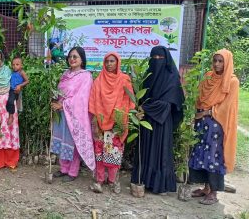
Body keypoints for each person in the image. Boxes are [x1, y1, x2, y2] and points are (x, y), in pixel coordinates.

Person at [130, 46, 184, 194]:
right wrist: (139, 109)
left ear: (166, 60)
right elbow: (140, 97)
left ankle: (159, 184)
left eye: (160, 58)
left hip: (161, 122)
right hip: (146, 121)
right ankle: (145, 180)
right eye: (154, 58)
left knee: (159, 152)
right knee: (146, 150)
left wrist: (145, 108)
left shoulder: (172, 77)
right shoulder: (148, 75)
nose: (157, 61)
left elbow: (169, 103)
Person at [189, 49, 239, 205]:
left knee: (214, 157)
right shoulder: (208, 77)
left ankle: (214, 192)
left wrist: (206, 112)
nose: (217, 64)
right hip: (202, 123)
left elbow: (227, 106)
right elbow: (200, 97)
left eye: (220, 61)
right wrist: (196, 113)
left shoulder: (232, 81)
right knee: (201, 154)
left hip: (217, 124)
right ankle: (205, 188)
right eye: (215, 60)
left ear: (227, 62)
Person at [89, 52, 135, 193]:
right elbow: (93, 102)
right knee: (100, 153)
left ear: (117, 63)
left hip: (117, 123)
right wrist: (96, 122)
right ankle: (100, 180)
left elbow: (130, 101)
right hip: (101, 123)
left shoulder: (124, 79)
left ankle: (112, 180)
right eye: (107, 61)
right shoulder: (98, 81)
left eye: (112, 61)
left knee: (114, 153)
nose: (109, 64)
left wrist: (121, 122)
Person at [50, 46, 95, 182]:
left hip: (74, 115)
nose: (72, 59)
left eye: (75, 57)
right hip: (62, 114)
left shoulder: (86, 76)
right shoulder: (65, 74)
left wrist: (62, 105)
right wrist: (54, 99)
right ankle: (64, 168)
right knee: (63, 140)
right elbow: (59, 92)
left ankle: (73, 171)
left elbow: (81, 98)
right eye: (70, 56)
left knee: (73, 142)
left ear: (82, 60)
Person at [6, 56, 29, 125]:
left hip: (15, 90)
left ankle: (11, 116)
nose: (15, 66)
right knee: (7, 101)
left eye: (17, 64)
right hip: (10, 89)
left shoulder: (21, 72)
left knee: (10, 101)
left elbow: (27, 81)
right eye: (13, 65)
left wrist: (20, 85)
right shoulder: (12, 72)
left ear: (21, 65)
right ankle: (7, 113)